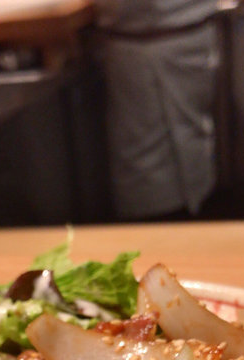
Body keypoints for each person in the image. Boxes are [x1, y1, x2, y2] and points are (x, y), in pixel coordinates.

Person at [95, 0, 220, 220]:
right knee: (180, 147)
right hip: (173, 32)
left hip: (157, 35)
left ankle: (170, 238)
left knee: (153, 164)